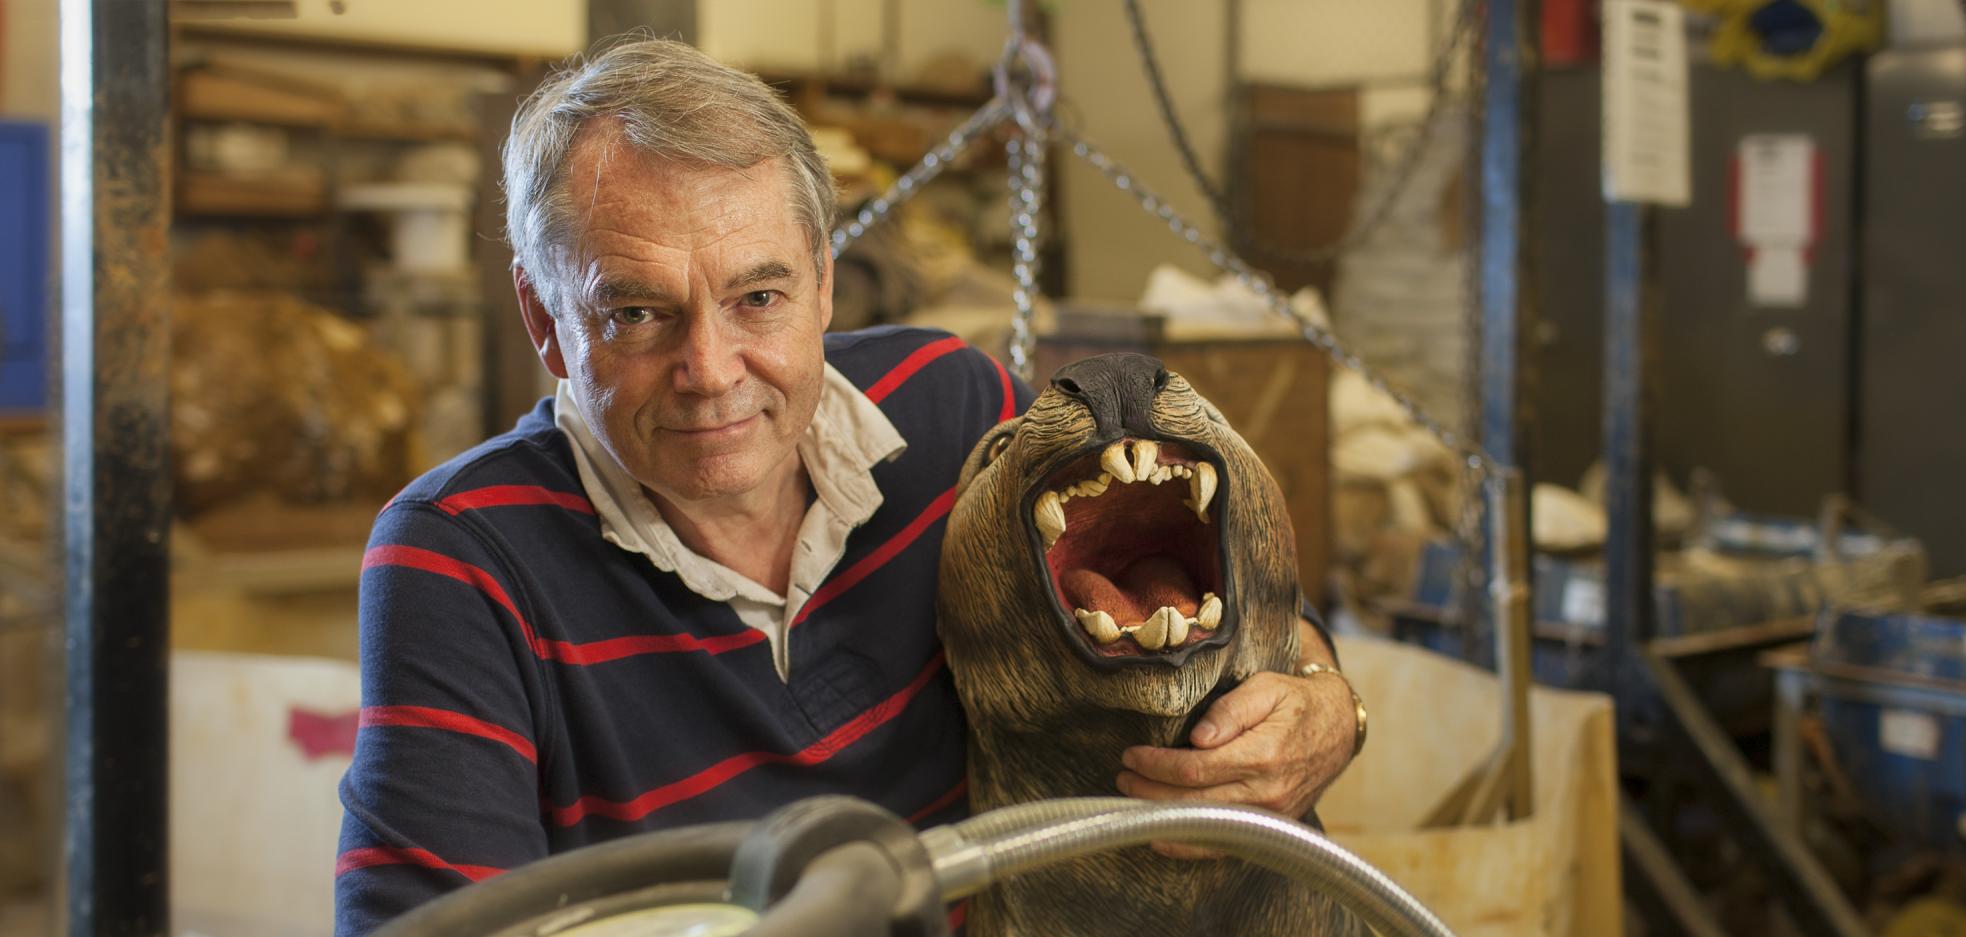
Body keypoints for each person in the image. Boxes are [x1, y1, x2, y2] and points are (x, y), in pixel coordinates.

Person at [334, 36, 1361, 935]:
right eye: (636, 313)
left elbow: (1198, 592)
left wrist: (1319, 703)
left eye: (758, 297)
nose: (711, 371)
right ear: (543, 316)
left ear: (825, 280)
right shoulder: (462, 555)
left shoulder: (948, 407)